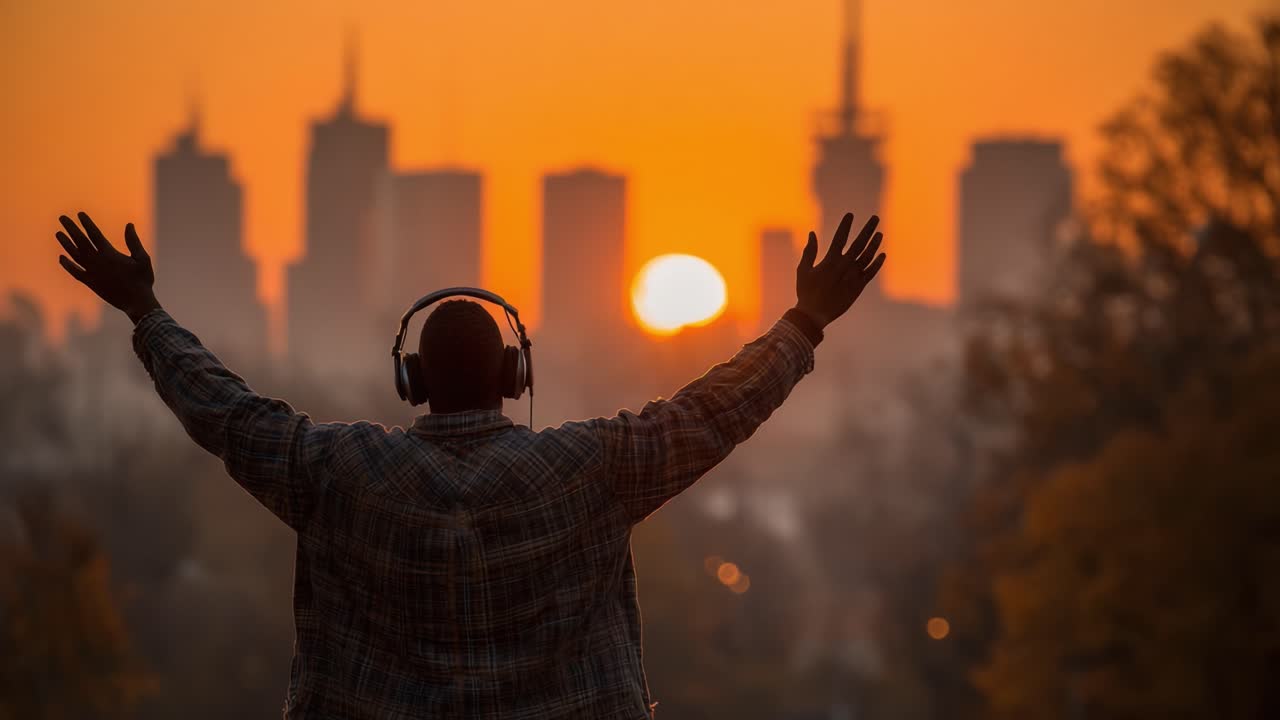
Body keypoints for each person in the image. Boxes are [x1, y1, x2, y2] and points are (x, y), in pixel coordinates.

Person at [53, 210, 885, 719]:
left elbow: (227, 413)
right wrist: (805, 323)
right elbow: (709, 414)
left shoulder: (337, 472)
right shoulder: (590, 469)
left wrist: (144, 311)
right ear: (513, 378)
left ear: (411, 382)